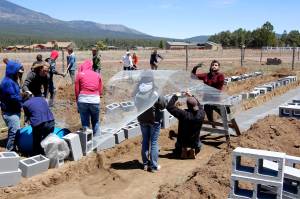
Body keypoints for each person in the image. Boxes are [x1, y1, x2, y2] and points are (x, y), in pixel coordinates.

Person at [134, 70, 166, 172]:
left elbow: (136, 104)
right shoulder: (155, 90)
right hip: (154, 120)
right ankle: (153, 166)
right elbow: (162, 104)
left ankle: (145, 164)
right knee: (154, 142)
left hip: (142, 119)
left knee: (145, 141)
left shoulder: (137, 90)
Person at [166, 92, 205, 159]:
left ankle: (184, 149)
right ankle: (192, 149)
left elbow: (169, 107)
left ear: (188, 106)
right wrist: (192, 96)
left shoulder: (184, 115)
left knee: (177, 145)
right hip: (194, 141)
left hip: (182, 141)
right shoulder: (202, 113)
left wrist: (175, 96)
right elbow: (200, 106)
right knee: (199, 144)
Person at [191, 60, 225, 125]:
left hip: (216, 100)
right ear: (210, 66)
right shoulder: (206, 75)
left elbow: (218, 87)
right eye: (213, 65)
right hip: (206, 100)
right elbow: (193, 76)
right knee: (210, 118)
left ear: (218, 67)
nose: (214, 66)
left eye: (216, 65)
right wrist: (195, 68)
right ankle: (213, 128)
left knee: (223, 115)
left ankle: (228, 127)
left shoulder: (220, 76)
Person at [75, 60, 103, 137]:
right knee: (96, 121)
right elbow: (100, 90)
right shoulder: (97, 75)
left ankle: (87, 143)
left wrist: (78, 103)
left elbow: (77, 91)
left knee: (85, 123)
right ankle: (97, 142)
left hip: (82, 100)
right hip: (95, 100)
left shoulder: (79, 74)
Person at [0, 61, 23, 151]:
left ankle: (13, 147)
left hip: (14, 110)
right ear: (13, 71)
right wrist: (24, 97)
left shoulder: (13, 80)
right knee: (15, 131)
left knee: (14, 130)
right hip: (9, 112)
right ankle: (9, 151)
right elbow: (13, 97)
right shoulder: (7, 82)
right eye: (18, 71)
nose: (19, 72)